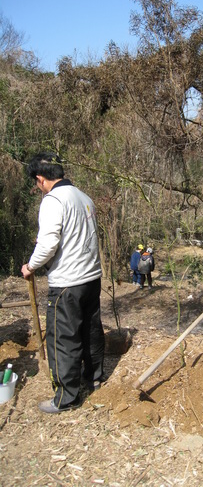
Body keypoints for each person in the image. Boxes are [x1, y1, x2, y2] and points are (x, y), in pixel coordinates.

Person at [21, 152, 104, 414]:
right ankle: (94, 378)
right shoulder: (84, 197)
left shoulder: (53, 200)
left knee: (63, 338)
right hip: (91, 277)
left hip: (67, 281)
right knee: (90, 330)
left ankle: (66, 398)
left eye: (36, 183)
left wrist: (31, 266)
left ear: (41, 178)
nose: (38, 187)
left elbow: (48, 244)